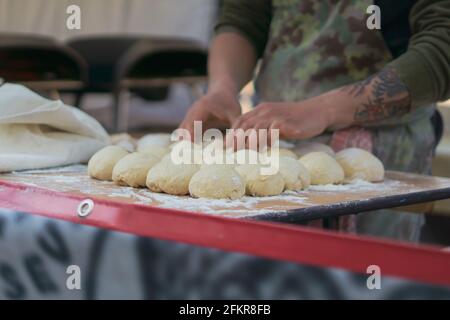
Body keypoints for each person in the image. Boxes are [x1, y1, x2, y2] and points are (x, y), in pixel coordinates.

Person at [180, 0, 450, 241]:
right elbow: (243, 18)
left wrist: (322, 109)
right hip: (272, 142)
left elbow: (443, 48)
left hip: (383, 154)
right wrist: (222, 89)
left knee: (359, 287)